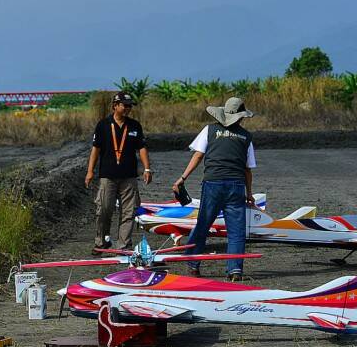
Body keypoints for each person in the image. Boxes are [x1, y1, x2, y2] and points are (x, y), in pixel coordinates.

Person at [172, 96, 256, 282]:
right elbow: (247, 170)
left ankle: (193, 263)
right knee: (236, 231)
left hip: (213, 183)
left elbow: (198, 156)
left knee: (203, 224)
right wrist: (249, 194)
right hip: (236, 185)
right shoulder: (246, 137)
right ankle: (235, 270)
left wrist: (183, 177)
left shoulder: (210, 130)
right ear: (242, 117)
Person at [85, 92, 152, 251]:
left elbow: (142, 148)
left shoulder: (135, 126)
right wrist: (90, 171)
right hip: (107, 176)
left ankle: (123, 245)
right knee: (104, 210)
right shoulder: (103, 125)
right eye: (125, 105)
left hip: (129, 176)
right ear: (115, 106)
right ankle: (101, 242)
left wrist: (147, 168)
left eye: (130, 106)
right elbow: (95, 150)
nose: (128, 108)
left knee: (128, 212)